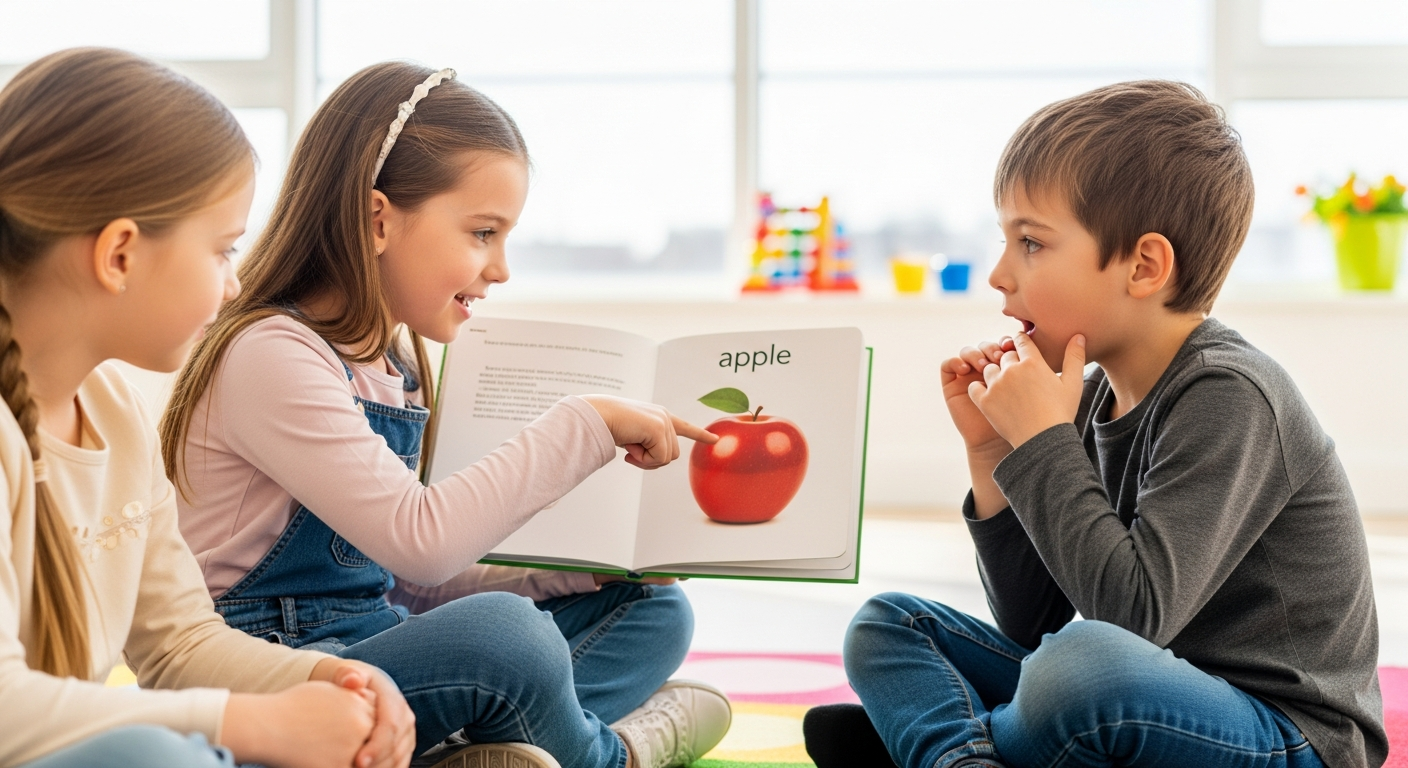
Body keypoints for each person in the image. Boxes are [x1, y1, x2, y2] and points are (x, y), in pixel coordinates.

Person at [161, 62, 730, 768]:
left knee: (650, 610)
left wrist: (575, 578)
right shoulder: (272, 353)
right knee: (506, 637)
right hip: (280, 674)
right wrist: (583, 423)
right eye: (483, 232)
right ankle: (613, 754)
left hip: (375, 640)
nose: (501, 268)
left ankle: (477, 746)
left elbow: (409, 583)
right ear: (377, 220)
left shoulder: (392, 365)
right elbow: (423, 542)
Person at [804, 80, 1384, 768]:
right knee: (890, 624)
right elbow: (1030, 622)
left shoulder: (1230, 394)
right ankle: (967, 754)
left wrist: (1044, 442)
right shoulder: (1087, 398)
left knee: (1081, 667)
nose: (998, 275)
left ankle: (946, 740)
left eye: (1030, 243)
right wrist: (994, 453)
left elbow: (1132, 620)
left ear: (1143, 266)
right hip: (1149, 699)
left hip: (1288, 734)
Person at [0, 48, 418, 768]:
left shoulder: (114, 413)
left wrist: (327, 676)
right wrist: (250, 724)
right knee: (163, 756)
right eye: (223, 250)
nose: (232, 285)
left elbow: (179, 643)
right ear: (120, 255)